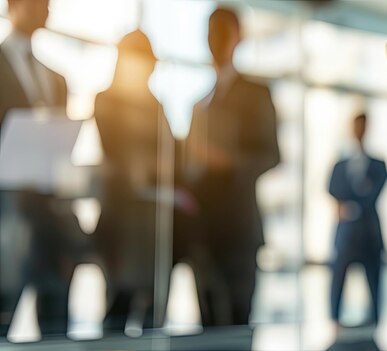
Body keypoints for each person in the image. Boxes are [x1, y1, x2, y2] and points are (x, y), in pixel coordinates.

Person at [178, 7, 280, 326]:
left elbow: (272, 154)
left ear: (239, 38)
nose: (216, 40)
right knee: (207, 329)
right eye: (211, 32)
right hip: (203, 234)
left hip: (238, 231)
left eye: (223, 31)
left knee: (236, 326)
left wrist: (227, 162)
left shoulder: (256, 93)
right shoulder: (198, 106)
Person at [0, 0, 77, 337]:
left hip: (49, 217)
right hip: (6, 216)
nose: (46, 10)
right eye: (37, 3)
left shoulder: (57, 79)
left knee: (56, 324)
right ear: (12, 6)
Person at [93, 30, 172, 333]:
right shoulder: (107, 101)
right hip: (120, 224)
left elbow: (170, 158)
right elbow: (120, 156)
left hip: (153, 227)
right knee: (117, 309)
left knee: (153, 315)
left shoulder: (156, 107)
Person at [328, 113, 387, 326]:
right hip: (346, 236)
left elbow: (372, 195)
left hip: (370, 234)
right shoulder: (340, 164)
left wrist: (350, 204)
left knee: (375, 287)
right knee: (337, 284)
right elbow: (332, 189)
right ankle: (334, 324)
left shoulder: (378, 164)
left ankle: (375, 326)